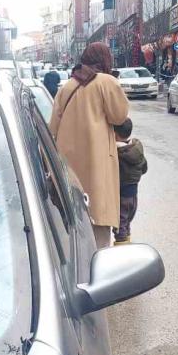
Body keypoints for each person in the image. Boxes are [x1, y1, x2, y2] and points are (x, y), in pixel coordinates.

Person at [50, 42, 129, 248]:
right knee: (98, 233)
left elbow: (53, 129)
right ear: (105, 60)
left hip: (69, 173)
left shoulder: (67, 87)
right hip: (97, 169)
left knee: (74, 233)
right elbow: (119, 116)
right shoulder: (106, 82)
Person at [113, 118, 147, 244]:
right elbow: (144, 168)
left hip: (122, 197)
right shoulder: (136, 148)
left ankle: (122, 253)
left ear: (114, 134)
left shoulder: (118, 153)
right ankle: (127, 246)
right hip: (133, 197)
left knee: (120, 229)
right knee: (126, 225)